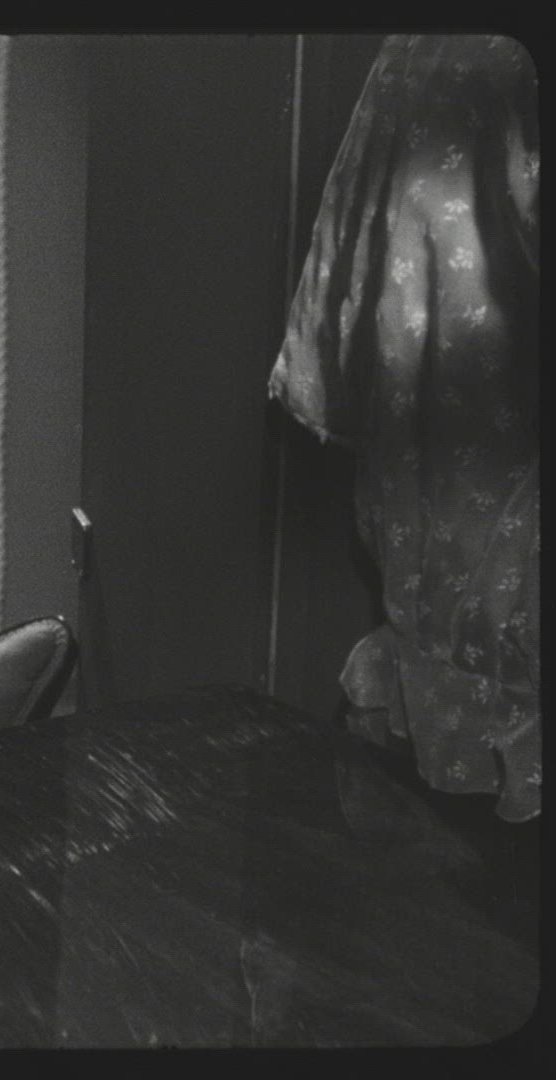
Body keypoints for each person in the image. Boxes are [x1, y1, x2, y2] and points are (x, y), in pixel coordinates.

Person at [269, 35, 539, 823]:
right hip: (485, 447)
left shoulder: (411, 51)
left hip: (422, 440)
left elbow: (346, 238)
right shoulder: (491, 60)